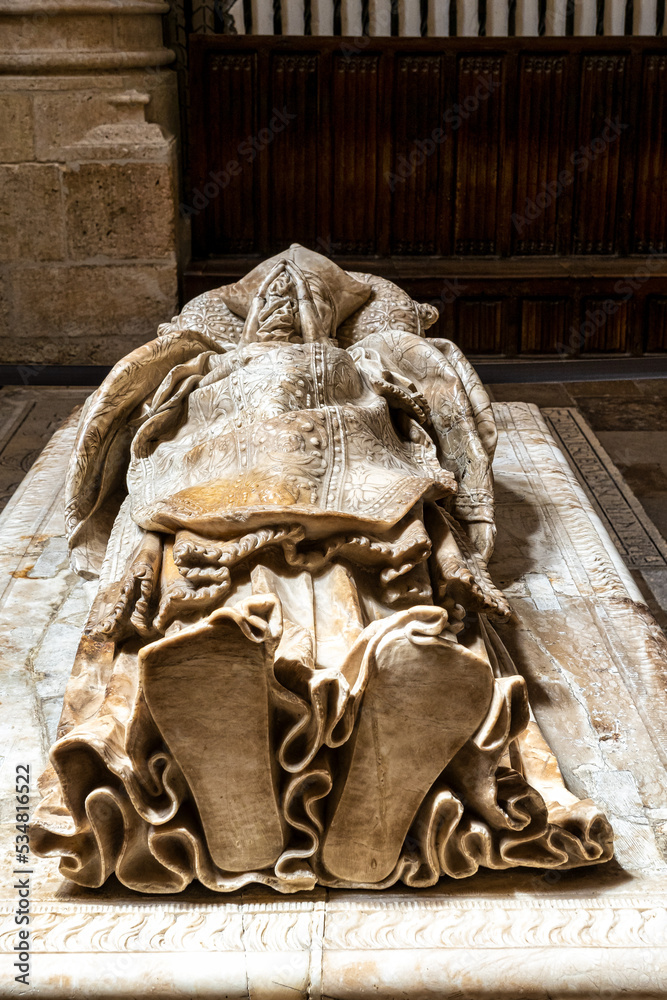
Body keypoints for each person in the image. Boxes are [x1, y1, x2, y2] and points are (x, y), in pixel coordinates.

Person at [32, 245, 612, 892]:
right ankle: (291, 698)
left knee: (387, 523)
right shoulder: (203, 368)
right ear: (244, 311)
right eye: (271, 297)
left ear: (335, 311)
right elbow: (151, 455)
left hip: (358, 478)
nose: (286, 299)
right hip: (219, 474)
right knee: (197, 543)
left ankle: (358, 702)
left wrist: (448, 544)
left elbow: (423, 436)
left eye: (306, 296)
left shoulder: (362, 362)